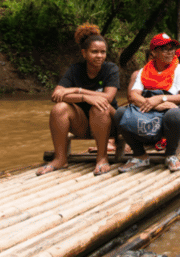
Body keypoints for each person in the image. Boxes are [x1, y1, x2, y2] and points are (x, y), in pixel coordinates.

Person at [37, 23, 119, 176]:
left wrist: (77, 90)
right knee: (59, 108)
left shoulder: (111, 69)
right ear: (84, 53)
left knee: (100, 106)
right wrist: (85, 98)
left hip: (108, 125)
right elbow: (57, 95)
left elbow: (108, 97)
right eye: (94, 52)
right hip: (84, 124)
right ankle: (60, 158)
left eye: (103, 52)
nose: (99, 56)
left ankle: (102, 158)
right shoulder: (75, 70)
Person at [114, 33, 180, 173]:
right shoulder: (144, 71)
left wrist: (161, 98)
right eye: (165, 49)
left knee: (174, 115)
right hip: (149, 115)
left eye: (172, 48)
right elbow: (133, 95)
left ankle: (171, 155)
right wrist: (156, 104)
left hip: (174, 120)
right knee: (120, 113)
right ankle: (139, 155)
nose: (170, 52)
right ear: (154, 52)